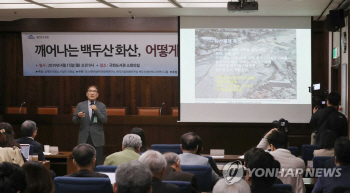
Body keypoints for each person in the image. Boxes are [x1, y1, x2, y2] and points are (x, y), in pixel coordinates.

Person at [257, 129, 305, 193]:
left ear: (271, 146)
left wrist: (266, 137)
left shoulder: (264, 159)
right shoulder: (300, 163)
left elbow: (255, 154)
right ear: (288, 145)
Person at [72, 85, 107, 165]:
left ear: (97, 94)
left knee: (97, 162)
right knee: (82, 161)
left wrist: (96, 110)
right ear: (87, 93)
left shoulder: (101, 106)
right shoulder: (80, 105)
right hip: (84, 137)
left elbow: (104, 120)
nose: (92, 93)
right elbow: (74, 120)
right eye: (90, 91)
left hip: (97, 138)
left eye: (94, 91)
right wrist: (78, 116)